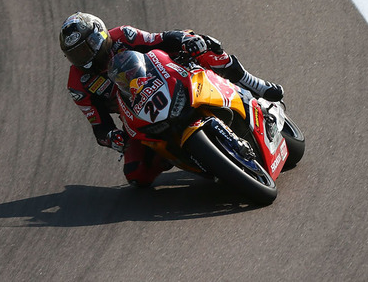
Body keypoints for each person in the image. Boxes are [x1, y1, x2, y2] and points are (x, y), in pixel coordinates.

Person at [59, 12, 284, 187]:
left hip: (166, 77)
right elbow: (99, 125)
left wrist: (186, 40)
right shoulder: (77, 84)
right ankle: (191, 159)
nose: (83, 58)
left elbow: (161, 39)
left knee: (203, 45)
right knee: (137, 175)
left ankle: (253, 83)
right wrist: (113, 138)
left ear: (99, 36)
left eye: (85, 49)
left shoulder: (123, 35)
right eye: (75, 55)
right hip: (137, 114)